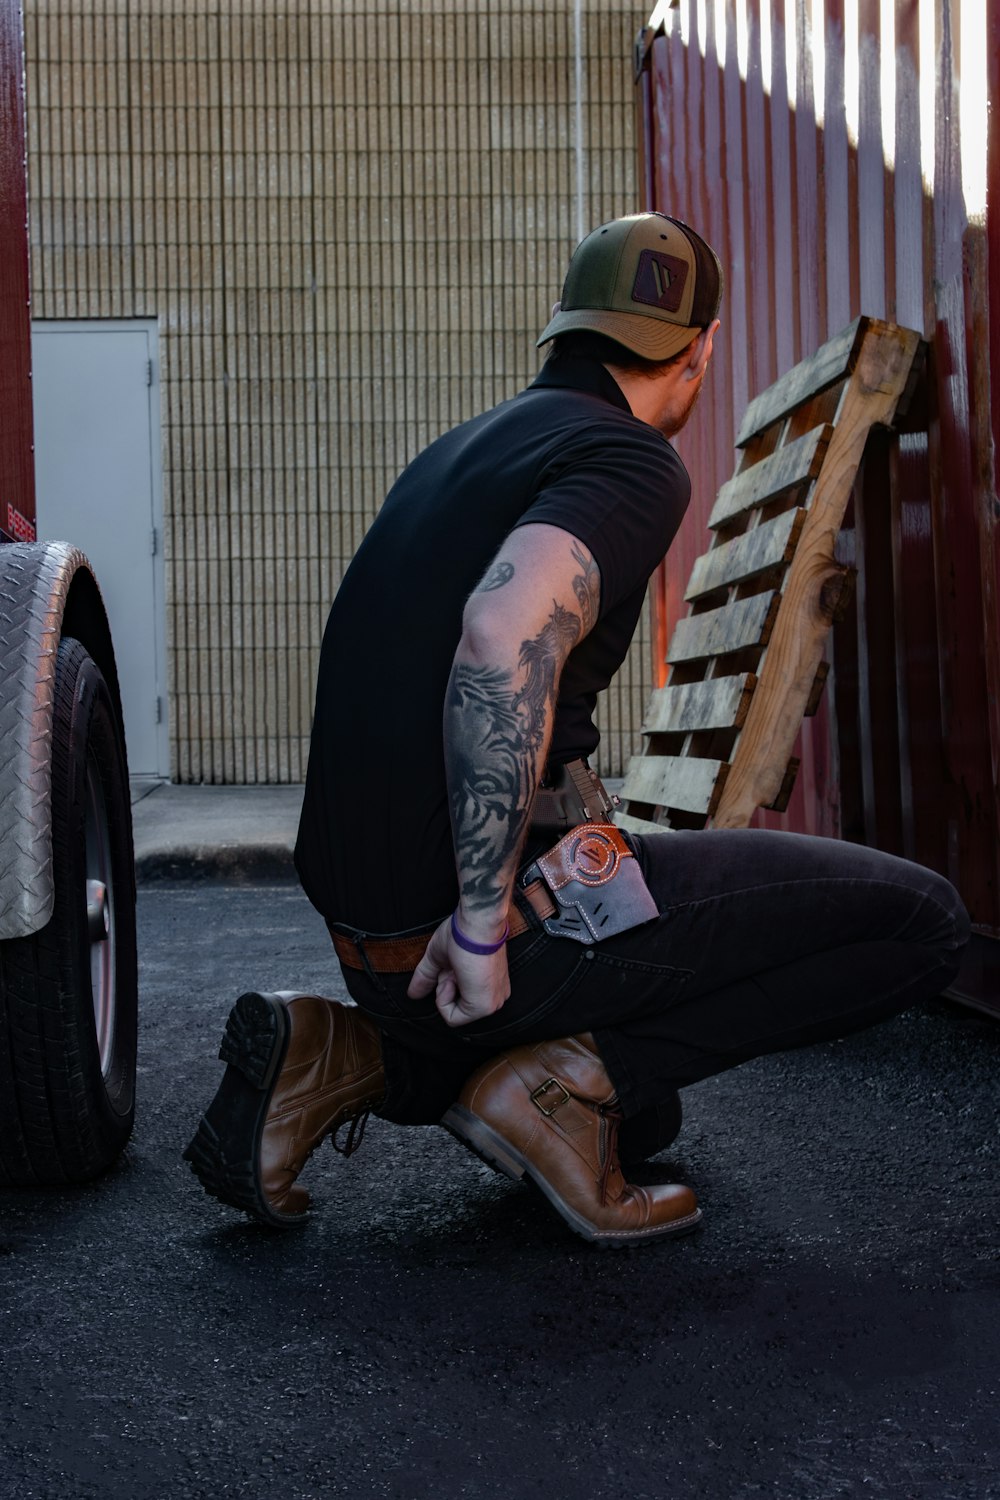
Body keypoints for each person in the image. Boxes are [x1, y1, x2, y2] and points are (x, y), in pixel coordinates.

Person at [184, 213, 969, 1247]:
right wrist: (477, 922)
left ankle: (341, 1055)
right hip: (464, 936)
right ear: (701, 350)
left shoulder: (461, 452)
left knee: (647, 1117)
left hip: (369, 943)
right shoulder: (629, 460)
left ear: (565, 328)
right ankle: (543, 1083)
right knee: (921, 924)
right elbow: (503, 634)